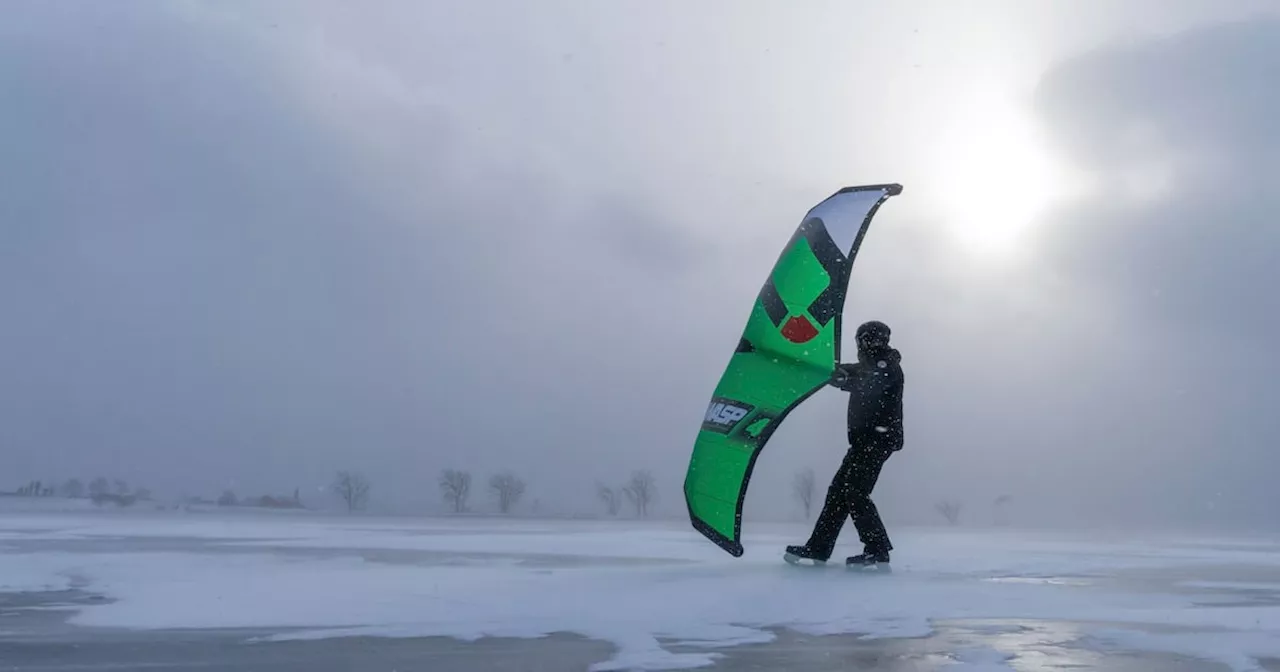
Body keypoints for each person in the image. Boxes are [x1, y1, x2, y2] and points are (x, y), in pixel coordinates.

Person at [785, 319, 904, 568]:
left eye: (869, 338)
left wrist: (841, 378)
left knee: (855, 492)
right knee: (838, 492)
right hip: (863, 442)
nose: (866, 344)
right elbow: (852, 372)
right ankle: (818, 548)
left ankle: (877, 549)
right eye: (863, 339)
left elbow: (870, 381)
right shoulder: (870, 365)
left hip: (878, 440)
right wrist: (823, 369)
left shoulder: (887, 365)